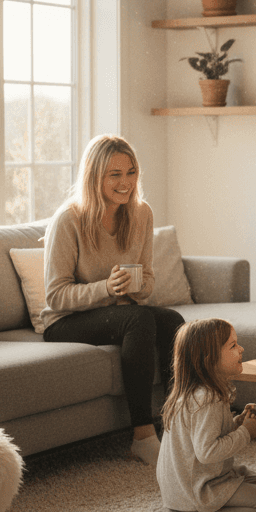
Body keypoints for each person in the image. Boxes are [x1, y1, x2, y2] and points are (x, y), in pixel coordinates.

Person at [42, 134, 184, 467]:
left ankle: (179, 426)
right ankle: (143, 436)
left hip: (117, 312)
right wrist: (106, 288)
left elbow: (147, 283)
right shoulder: (69, 220)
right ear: (95, 177)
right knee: (139, 320)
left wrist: (132, 288)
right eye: (114, 174)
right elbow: (55, 295)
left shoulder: (141, 214)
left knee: (173, 322)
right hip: (65, 321)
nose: (125, 182)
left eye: (131, 172)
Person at [156, 319, 256, 512]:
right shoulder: (208, 399)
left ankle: (191, 507)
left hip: (188, 484)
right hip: (197, 490)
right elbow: (207, 452)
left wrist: (238, 423)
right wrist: (246, 433)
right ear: (209, 359)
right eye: (233, 345)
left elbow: (206, 436)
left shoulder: (198, 393)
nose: (241, 349)